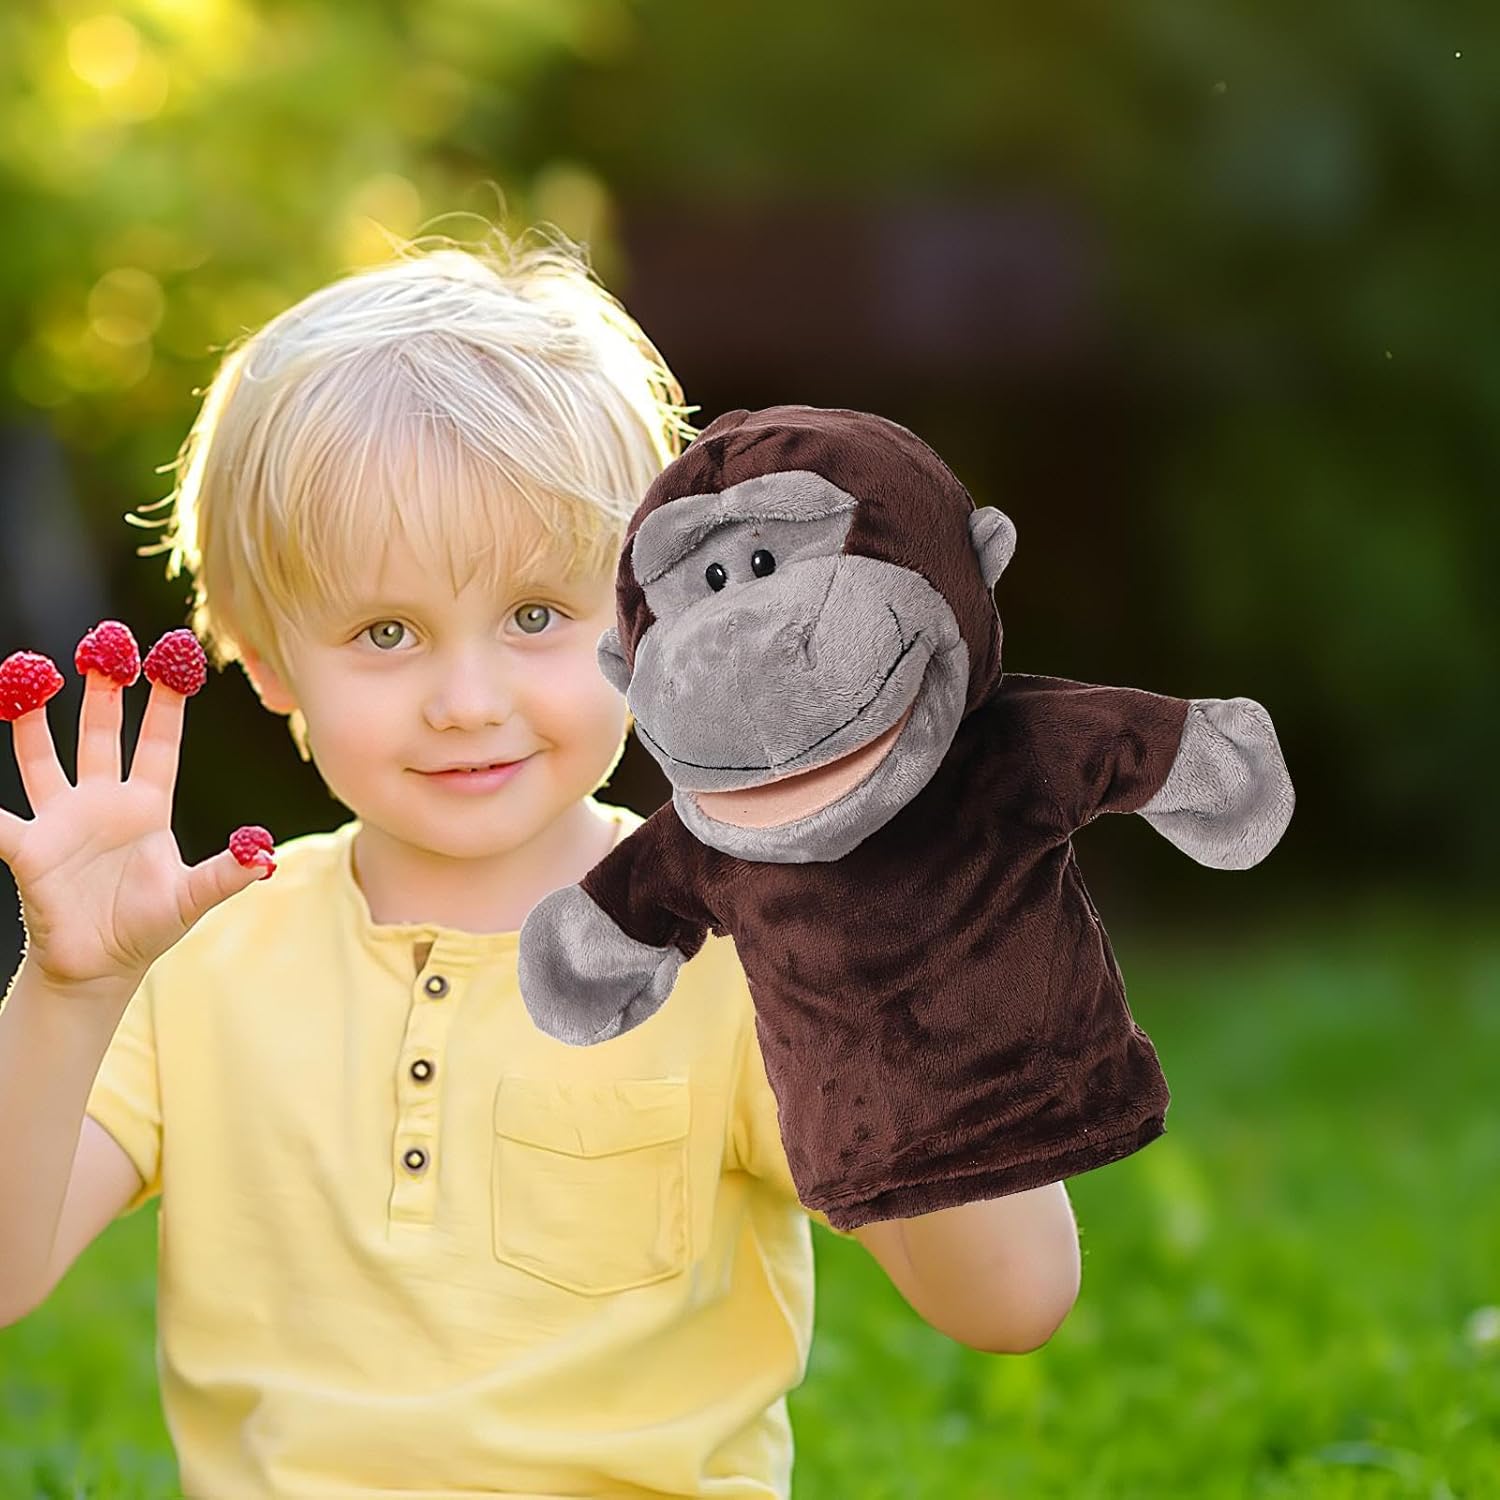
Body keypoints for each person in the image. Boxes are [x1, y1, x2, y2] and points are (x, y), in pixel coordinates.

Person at [0, 229, 1082, 1500]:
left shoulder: (746, 952)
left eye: (533, 616)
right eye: (386, 631)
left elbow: (1013, 1300)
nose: (468, 699)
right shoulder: (203, 960)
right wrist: (70, 992)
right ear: (265, 653)